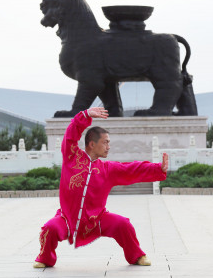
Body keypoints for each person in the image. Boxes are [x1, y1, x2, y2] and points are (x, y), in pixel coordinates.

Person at [33, 107, 169, 268]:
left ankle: (137, 256)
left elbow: (131, 169)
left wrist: (158, 168)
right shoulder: (71, 158)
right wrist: (84, 116)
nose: (108, 147)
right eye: (105, 142)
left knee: (123, 225)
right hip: (68, 219)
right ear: (92, 144)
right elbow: (70, 136)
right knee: (49, 229)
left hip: (96, 219)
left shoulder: (108, 169)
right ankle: (45, 258)